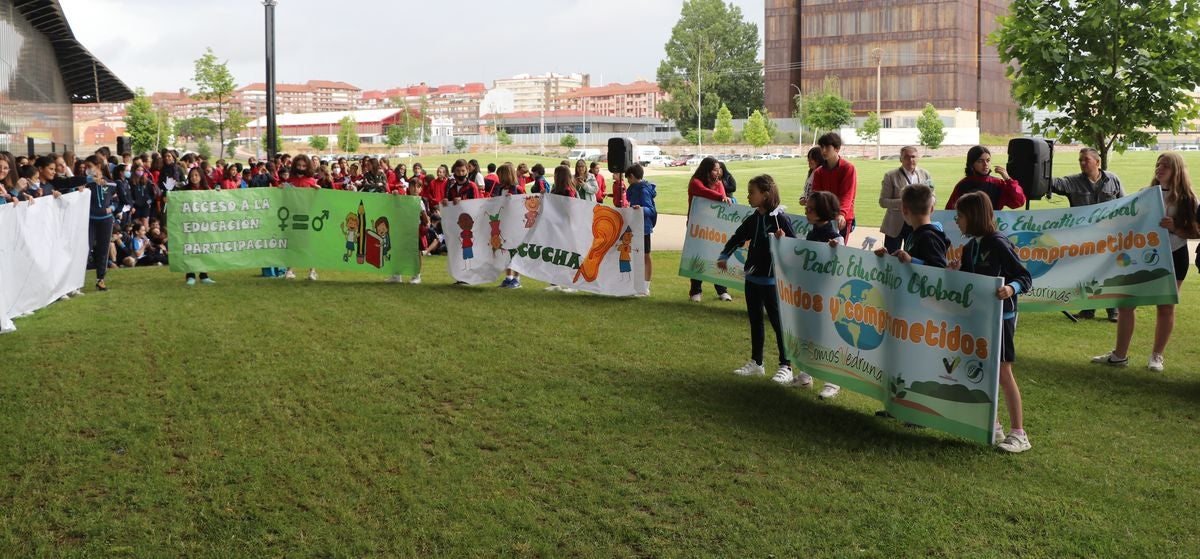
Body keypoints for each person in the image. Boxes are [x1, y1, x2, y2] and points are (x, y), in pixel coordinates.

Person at [1093, 153, 1198, 372]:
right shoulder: (1145, 194)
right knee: (1126, 304)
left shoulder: (1188, 198)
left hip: (1174, 255)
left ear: (1177, 169)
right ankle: (1119, 355)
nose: (1159, 169)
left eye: (1166, 165)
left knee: (1166, 306)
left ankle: (1157, 356)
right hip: (1142, 256)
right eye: (1158, 165)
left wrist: (1175, 227)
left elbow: (1196, 231)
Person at [948, 192, 1033, 453]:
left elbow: (1024, 277)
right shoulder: (971, 246)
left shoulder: (998, 243)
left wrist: (1011, 288)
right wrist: (956, 271)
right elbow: (970, 279)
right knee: (983, 368)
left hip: (1002, 318)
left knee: (1003, 372)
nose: (957, 221)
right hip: (979, 317)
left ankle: (1019, 433)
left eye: (960, 216)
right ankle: (993, 424)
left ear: (973, 216)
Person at [717, 175, 796, 380]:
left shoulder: (781, 219)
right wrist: (724, 255)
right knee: (755, 321)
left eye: (752, 192)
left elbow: (795, 249)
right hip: (752, 280)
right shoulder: (754, 218)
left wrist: (783, 240)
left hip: (772, 282)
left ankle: (786, 366)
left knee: (779, 324)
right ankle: (757, 362)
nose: (748, 195)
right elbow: (738, 236)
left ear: (766, 194)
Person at [1051, 147, 1125, 321]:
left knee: (1108, 273)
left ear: (1097, 162)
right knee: (1085, 272)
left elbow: (1124, 204)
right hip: (1083, 238)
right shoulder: (1073, 181)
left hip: (1108, 238)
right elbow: (1053, 183)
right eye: (1080, 160)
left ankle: (1113, 312)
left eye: (1086, 160)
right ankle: (1087, 310)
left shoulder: (1113, 179)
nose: (1082, 163)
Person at [797, 191, 845, 395]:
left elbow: (839, 266)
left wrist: (835, 250)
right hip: (810, 295)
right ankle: (805, 375)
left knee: (826, 338)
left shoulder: (835, 238)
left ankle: (832, 382)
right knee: (808, 334)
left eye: (811, 209)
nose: (806, 211)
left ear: (823, 212)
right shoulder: (812, 233)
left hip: (827, 298)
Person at [687, 156, 732, 302]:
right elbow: (702, 191)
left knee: (716, 256)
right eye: (715, 169)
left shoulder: (719, 184)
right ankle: (695, 291)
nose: (718, 172)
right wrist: (720, 197)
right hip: (698, 226)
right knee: (698, 256)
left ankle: (722, 290)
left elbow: (723, 199)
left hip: (714, 226)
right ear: (707, 170)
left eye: (719, 169)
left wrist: (722, 197)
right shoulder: (695, 182)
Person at [879, 146, 934, 254]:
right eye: (907, 157)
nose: (910, 160)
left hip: (918, 223)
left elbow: (932, 196)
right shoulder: (890, 176)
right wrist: (906, 201)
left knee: (913, 257)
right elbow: (883, 201)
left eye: (913, 157)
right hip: (895, 224)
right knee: (891, 257)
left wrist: (929, 202)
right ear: (901, 159)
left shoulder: (925, 174)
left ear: (918, 158)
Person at [945, 145, 1026, 211]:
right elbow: (949, 211)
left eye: (988, 160)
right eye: (980, 161)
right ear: (972, 164)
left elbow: (1019, 202)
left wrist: (1008, 180)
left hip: (992, 228)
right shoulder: (963, 185)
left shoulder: (998, 184)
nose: (985, 164)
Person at [811, 132, 858, 243]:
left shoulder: (848, 168)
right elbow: (817, 196)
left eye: (827, 147)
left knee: (838, 254)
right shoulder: (818, 172)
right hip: (823, 219)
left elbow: (847, 195)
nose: (823, 151)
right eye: (821, 147)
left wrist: (841, 214)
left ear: (837, 148)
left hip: (841, 219)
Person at [624, 164, 657, 296]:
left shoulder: (643, 190)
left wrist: (641, 209)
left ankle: (645, 287)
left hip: (644, 228)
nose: (627, 181)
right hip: (635, 226)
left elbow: (651, 210)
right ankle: (637, 285)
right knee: (636, 255)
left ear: (632, 176)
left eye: (628, 179)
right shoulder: (634, 189)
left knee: (645, 256)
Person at [283, 158, 320, 280]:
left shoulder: (311, 181)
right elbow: (283, 195)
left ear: (307, 167)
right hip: (293, 217)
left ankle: (312, 270)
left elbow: (317, 199)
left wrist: (317, 191)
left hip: (307, 217)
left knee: (309, 244)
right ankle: (289, 270)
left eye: (304, 166)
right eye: (298, 165)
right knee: (292, 244)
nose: (301, 168)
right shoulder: (290, 181)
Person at [180, 167, 215, 285]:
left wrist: (218, 193)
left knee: (203, 249)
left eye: (196, 175)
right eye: (191, 176)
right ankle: (190, 275)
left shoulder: (206, 190)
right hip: (189, 225)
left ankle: (204, 275)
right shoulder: (184, 190)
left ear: (200, 176)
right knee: (190, 249)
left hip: (203, 226)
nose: (194, 178)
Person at [494, 163, 525, 289]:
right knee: (505, 251)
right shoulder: (501, 188)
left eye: (500, 175)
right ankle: (509, 277)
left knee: (515, 251)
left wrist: (513, 200)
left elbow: (524, 204)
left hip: (516, 225)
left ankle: (516, 278)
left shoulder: (517, 189)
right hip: (504, 223)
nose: (498, 178)